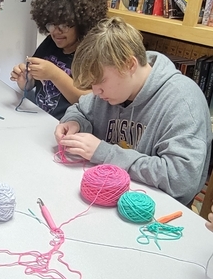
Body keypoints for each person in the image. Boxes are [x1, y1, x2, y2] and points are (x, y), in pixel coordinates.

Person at [55, 17, 211, 206]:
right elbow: (80, 108)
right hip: (110, 196)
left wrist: (105, 153)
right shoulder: (112, 89)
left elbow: (181, 181)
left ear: (129, 65)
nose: (95, 91)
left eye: (100, 81)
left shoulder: (183, 102)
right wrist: (74, 122)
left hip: (155, 211)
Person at [11, 0, 107, 120]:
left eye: (64, 25)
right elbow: (34, 82)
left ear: (80, 24)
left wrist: (55, 74)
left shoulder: (91, 54)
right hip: (40, 118)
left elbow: (91, 103)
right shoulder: (50, 43)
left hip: (68, 127)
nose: (56, 32)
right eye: (51, 25)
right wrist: (26, 81)